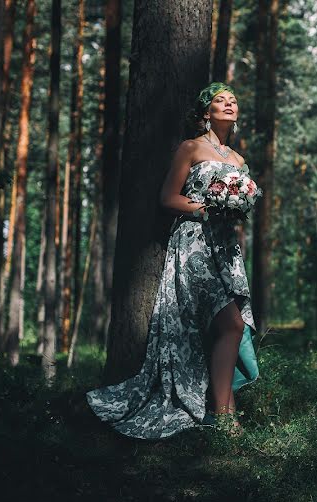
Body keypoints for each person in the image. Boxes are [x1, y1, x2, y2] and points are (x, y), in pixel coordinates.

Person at [86, 82, 260, 439]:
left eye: (233, 101)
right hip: (194, 243)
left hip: (225, 248)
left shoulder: (239, 160)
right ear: (204, 112)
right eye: (219, 100)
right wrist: (208, 207)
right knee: (232, 324)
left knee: (228, 326)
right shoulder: (190, 148)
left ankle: (222, 410)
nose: (228, 105)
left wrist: (236, 208)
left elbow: (240, 205)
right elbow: (167, 198)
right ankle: (226, 416)